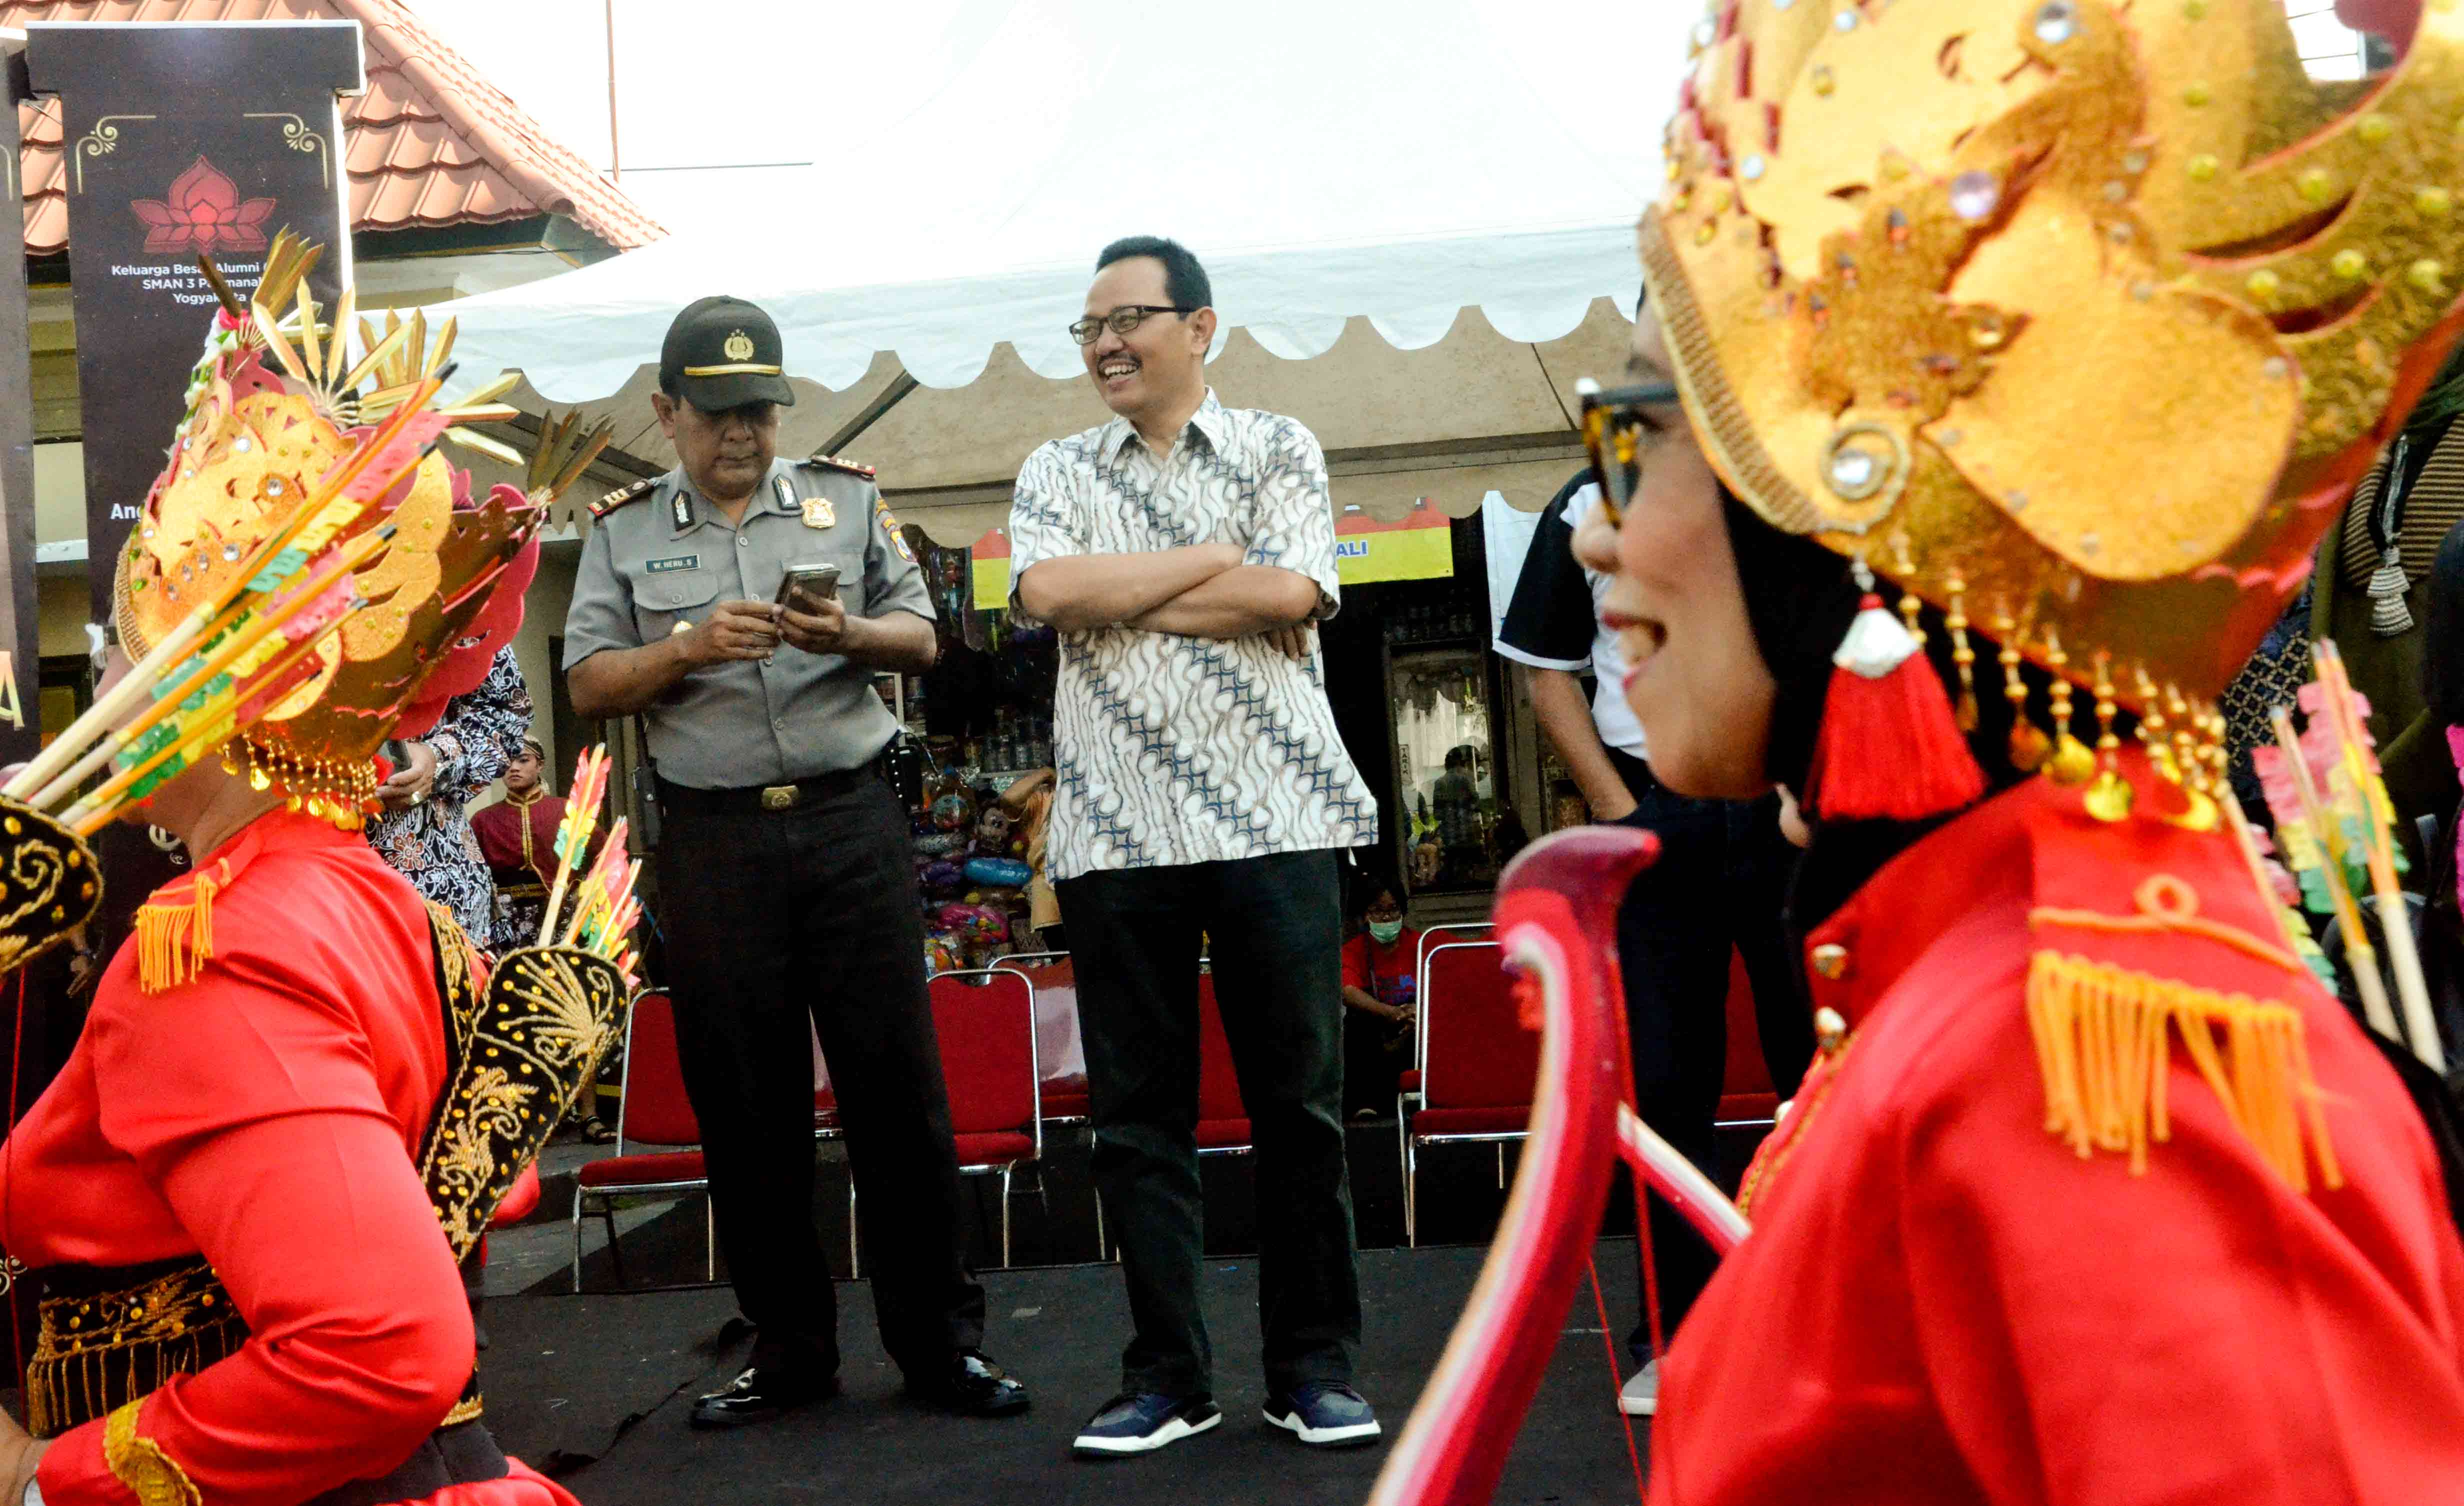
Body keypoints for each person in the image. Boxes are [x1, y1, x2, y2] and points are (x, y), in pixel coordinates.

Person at [1592, 2, 2464, 1498]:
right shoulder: (1995, 980)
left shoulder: (2104, 1055)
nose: (1597, 529)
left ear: (1850, 515)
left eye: (1636, 434)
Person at [0, 272, 587, 1505]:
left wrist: (52, 1481)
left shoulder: (217, 945)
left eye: (129, 650)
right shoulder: (364, 890)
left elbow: (378, 1348)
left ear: (208, 698)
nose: (106, 678)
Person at [562, 295, 1026, 1428]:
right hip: (712, 836)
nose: (743, 433)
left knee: (897, 1091)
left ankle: (939, 1346)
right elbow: (585, 685)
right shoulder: (620, 533)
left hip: (849, 819)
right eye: (718, 413)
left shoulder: (848, 497)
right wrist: (681, 648)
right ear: (668, 411)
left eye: (760, 410)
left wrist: (848, 637)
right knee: (746, 1102)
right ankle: (790, 1350)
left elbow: (923, 636)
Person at [1008, 235, 1382, 1455]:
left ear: (1201, 327)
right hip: (1116, 831)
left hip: (1277, 817)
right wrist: (1219, 558)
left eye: (1132, 318)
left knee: (1302, 1112)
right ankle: (1168, 1376)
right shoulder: (1056, 465)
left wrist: (1138, 588)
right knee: (1136, 1122)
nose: (1107, 343)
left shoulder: (1282, 446)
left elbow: (1290, 599)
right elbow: (1054, 596)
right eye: (1090, 327)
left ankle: (1312, 1368)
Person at [1495, 462, 1811, 1416]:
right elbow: (1544, 670)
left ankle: (1827, 1317)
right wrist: (1619, 809)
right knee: (1669, 1085)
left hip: (1788, 803)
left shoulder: (1788, 469)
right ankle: (1676, 1336)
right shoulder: (1587, 499)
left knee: (1824, 1072)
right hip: (1653, 801)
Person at [472, 740, 617, 1142]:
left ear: (540, 765)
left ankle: (589, 1114)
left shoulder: (569, 811)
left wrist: (583, 894)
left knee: (574, 1016)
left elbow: (607, 861)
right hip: (512, 932)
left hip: (564, 926)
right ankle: (537, 1116)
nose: (513, 768)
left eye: (522, 760)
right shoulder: (483, 822)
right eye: (507, 762)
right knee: (523, 1021)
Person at [364, 647, 534, 942]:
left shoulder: (452, 602)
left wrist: (438, 757)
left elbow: (508, 710)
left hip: (429, 877)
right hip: (286, 862)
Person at [1339, 879, 1421, 1120]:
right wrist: (1392, 1013)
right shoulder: (1353, 950)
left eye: (1392, 910)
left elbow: (1451, 982)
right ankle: (1365, 1107)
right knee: (1356, 1025)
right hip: (1377, 1031)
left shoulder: (1422, 943)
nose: (1386, 918)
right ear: (1365, 916)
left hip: (1417, 1026)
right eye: (1377, 911)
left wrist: (1421, 1011)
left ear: (1402, 912)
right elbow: (1348, 992)